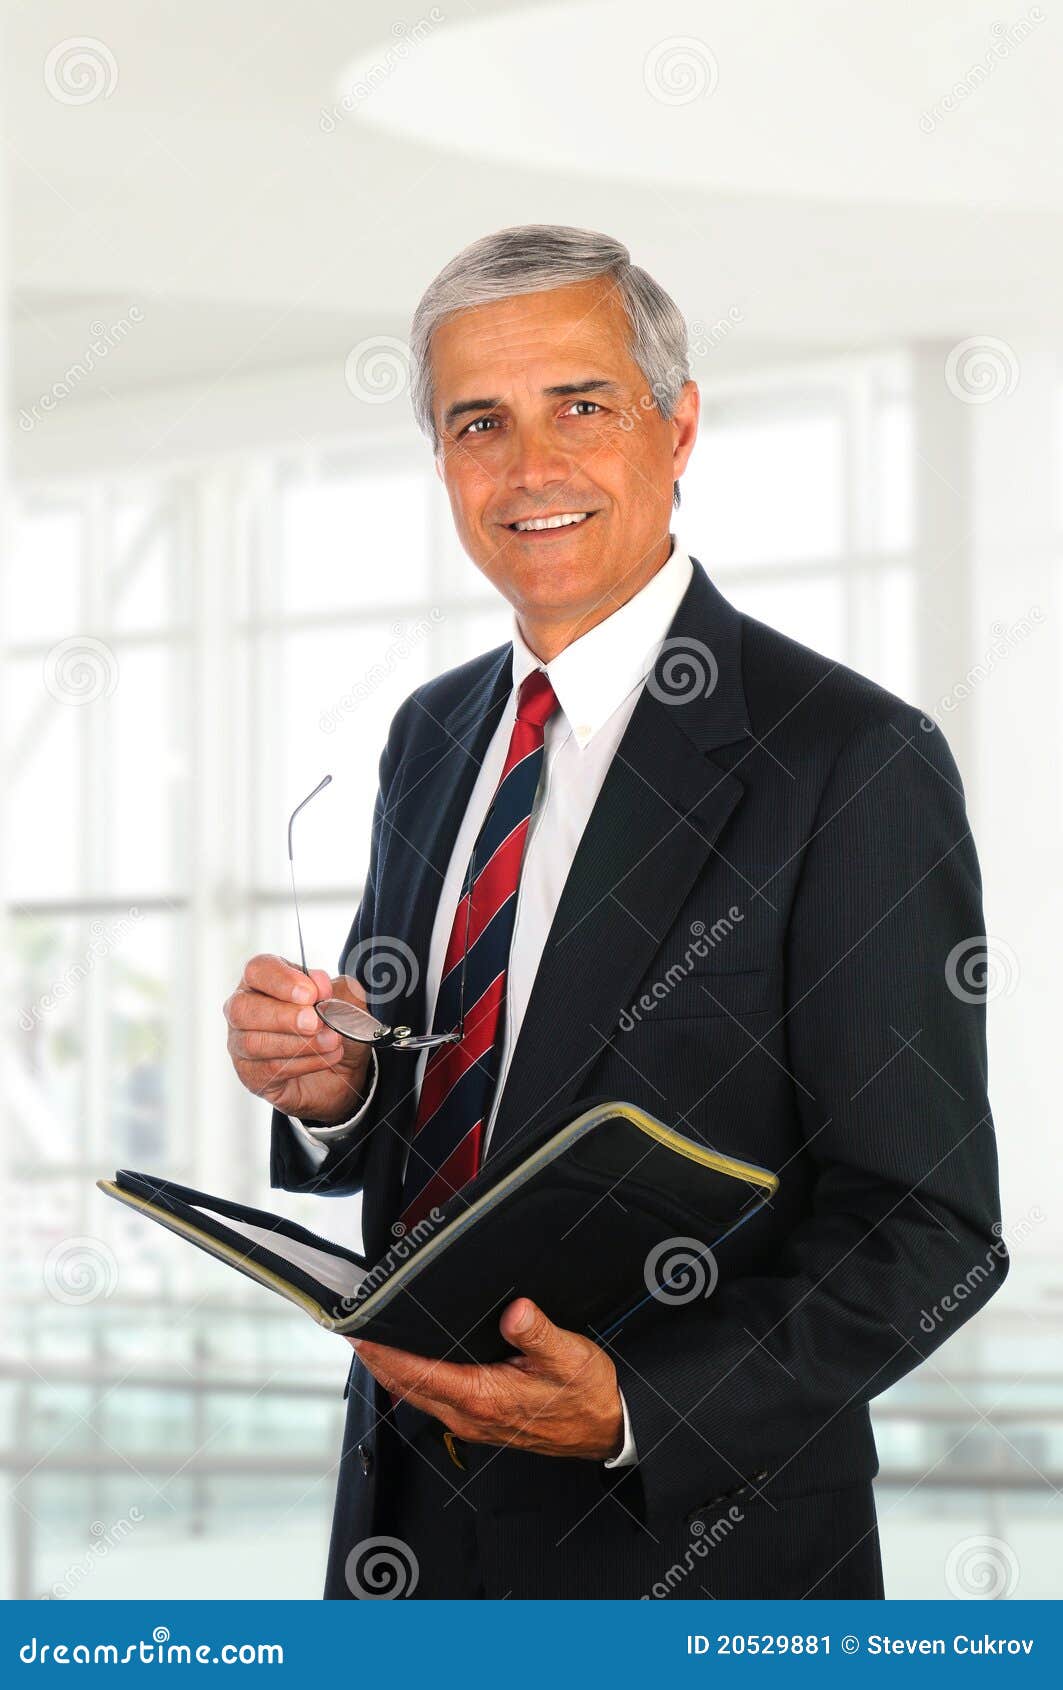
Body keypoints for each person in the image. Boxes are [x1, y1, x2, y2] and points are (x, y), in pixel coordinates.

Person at [224, 225, 1006, 1599]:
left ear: (678, 423)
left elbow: (931, 1231)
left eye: (580, 404)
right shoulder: (432, 734)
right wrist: (335, 1086)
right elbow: (429, 1102)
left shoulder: (843, 758)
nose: (530, 468)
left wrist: (644, 1403)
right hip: (401, 1532)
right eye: (481, 423)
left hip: (692, 1554)